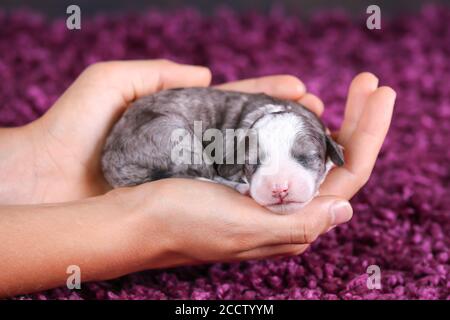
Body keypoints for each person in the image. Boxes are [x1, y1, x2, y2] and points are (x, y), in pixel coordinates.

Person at [0, 59, 396, 297]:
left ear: (329, 156)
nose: (279, 184)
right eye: (255, 164)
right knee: (186, 141)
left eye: (304, 160)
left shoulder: (304, 131)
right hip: (147, 145)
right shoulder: (233, 139)